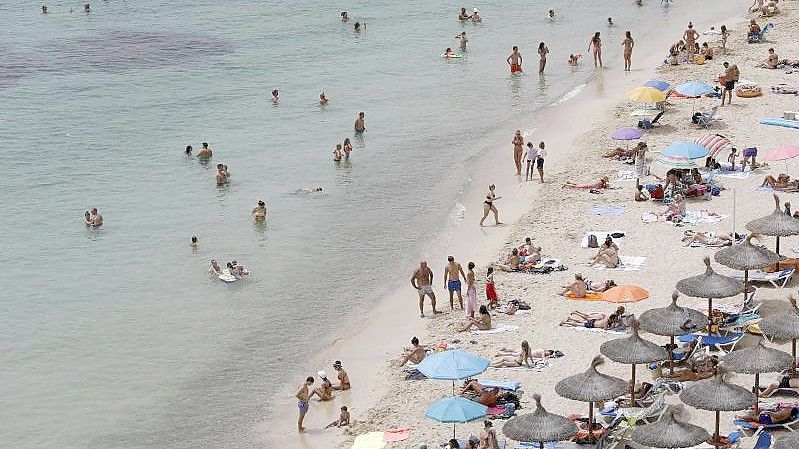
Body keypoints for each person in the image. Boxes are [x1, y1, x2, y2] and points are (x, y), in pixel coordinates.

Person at [560, 306, 626, 329]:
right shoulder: (613, 316)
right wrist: (611, 327)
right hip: (598, 319)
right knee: (586, 318)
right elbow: (606, 328)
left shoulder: (615, 315)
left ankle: (570, 318)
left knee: (583, 320)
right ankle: (574, 314)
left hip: (598, 320)